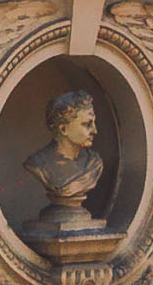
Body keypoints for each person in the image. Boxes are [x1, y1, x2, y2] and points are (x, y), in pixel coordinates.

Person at [23, 86, 112, 242]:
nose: (95, 131)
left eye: (93, 123)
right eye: (87, 124)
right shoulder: (38, 164)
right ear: (63, 129)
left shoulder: (94, 163)